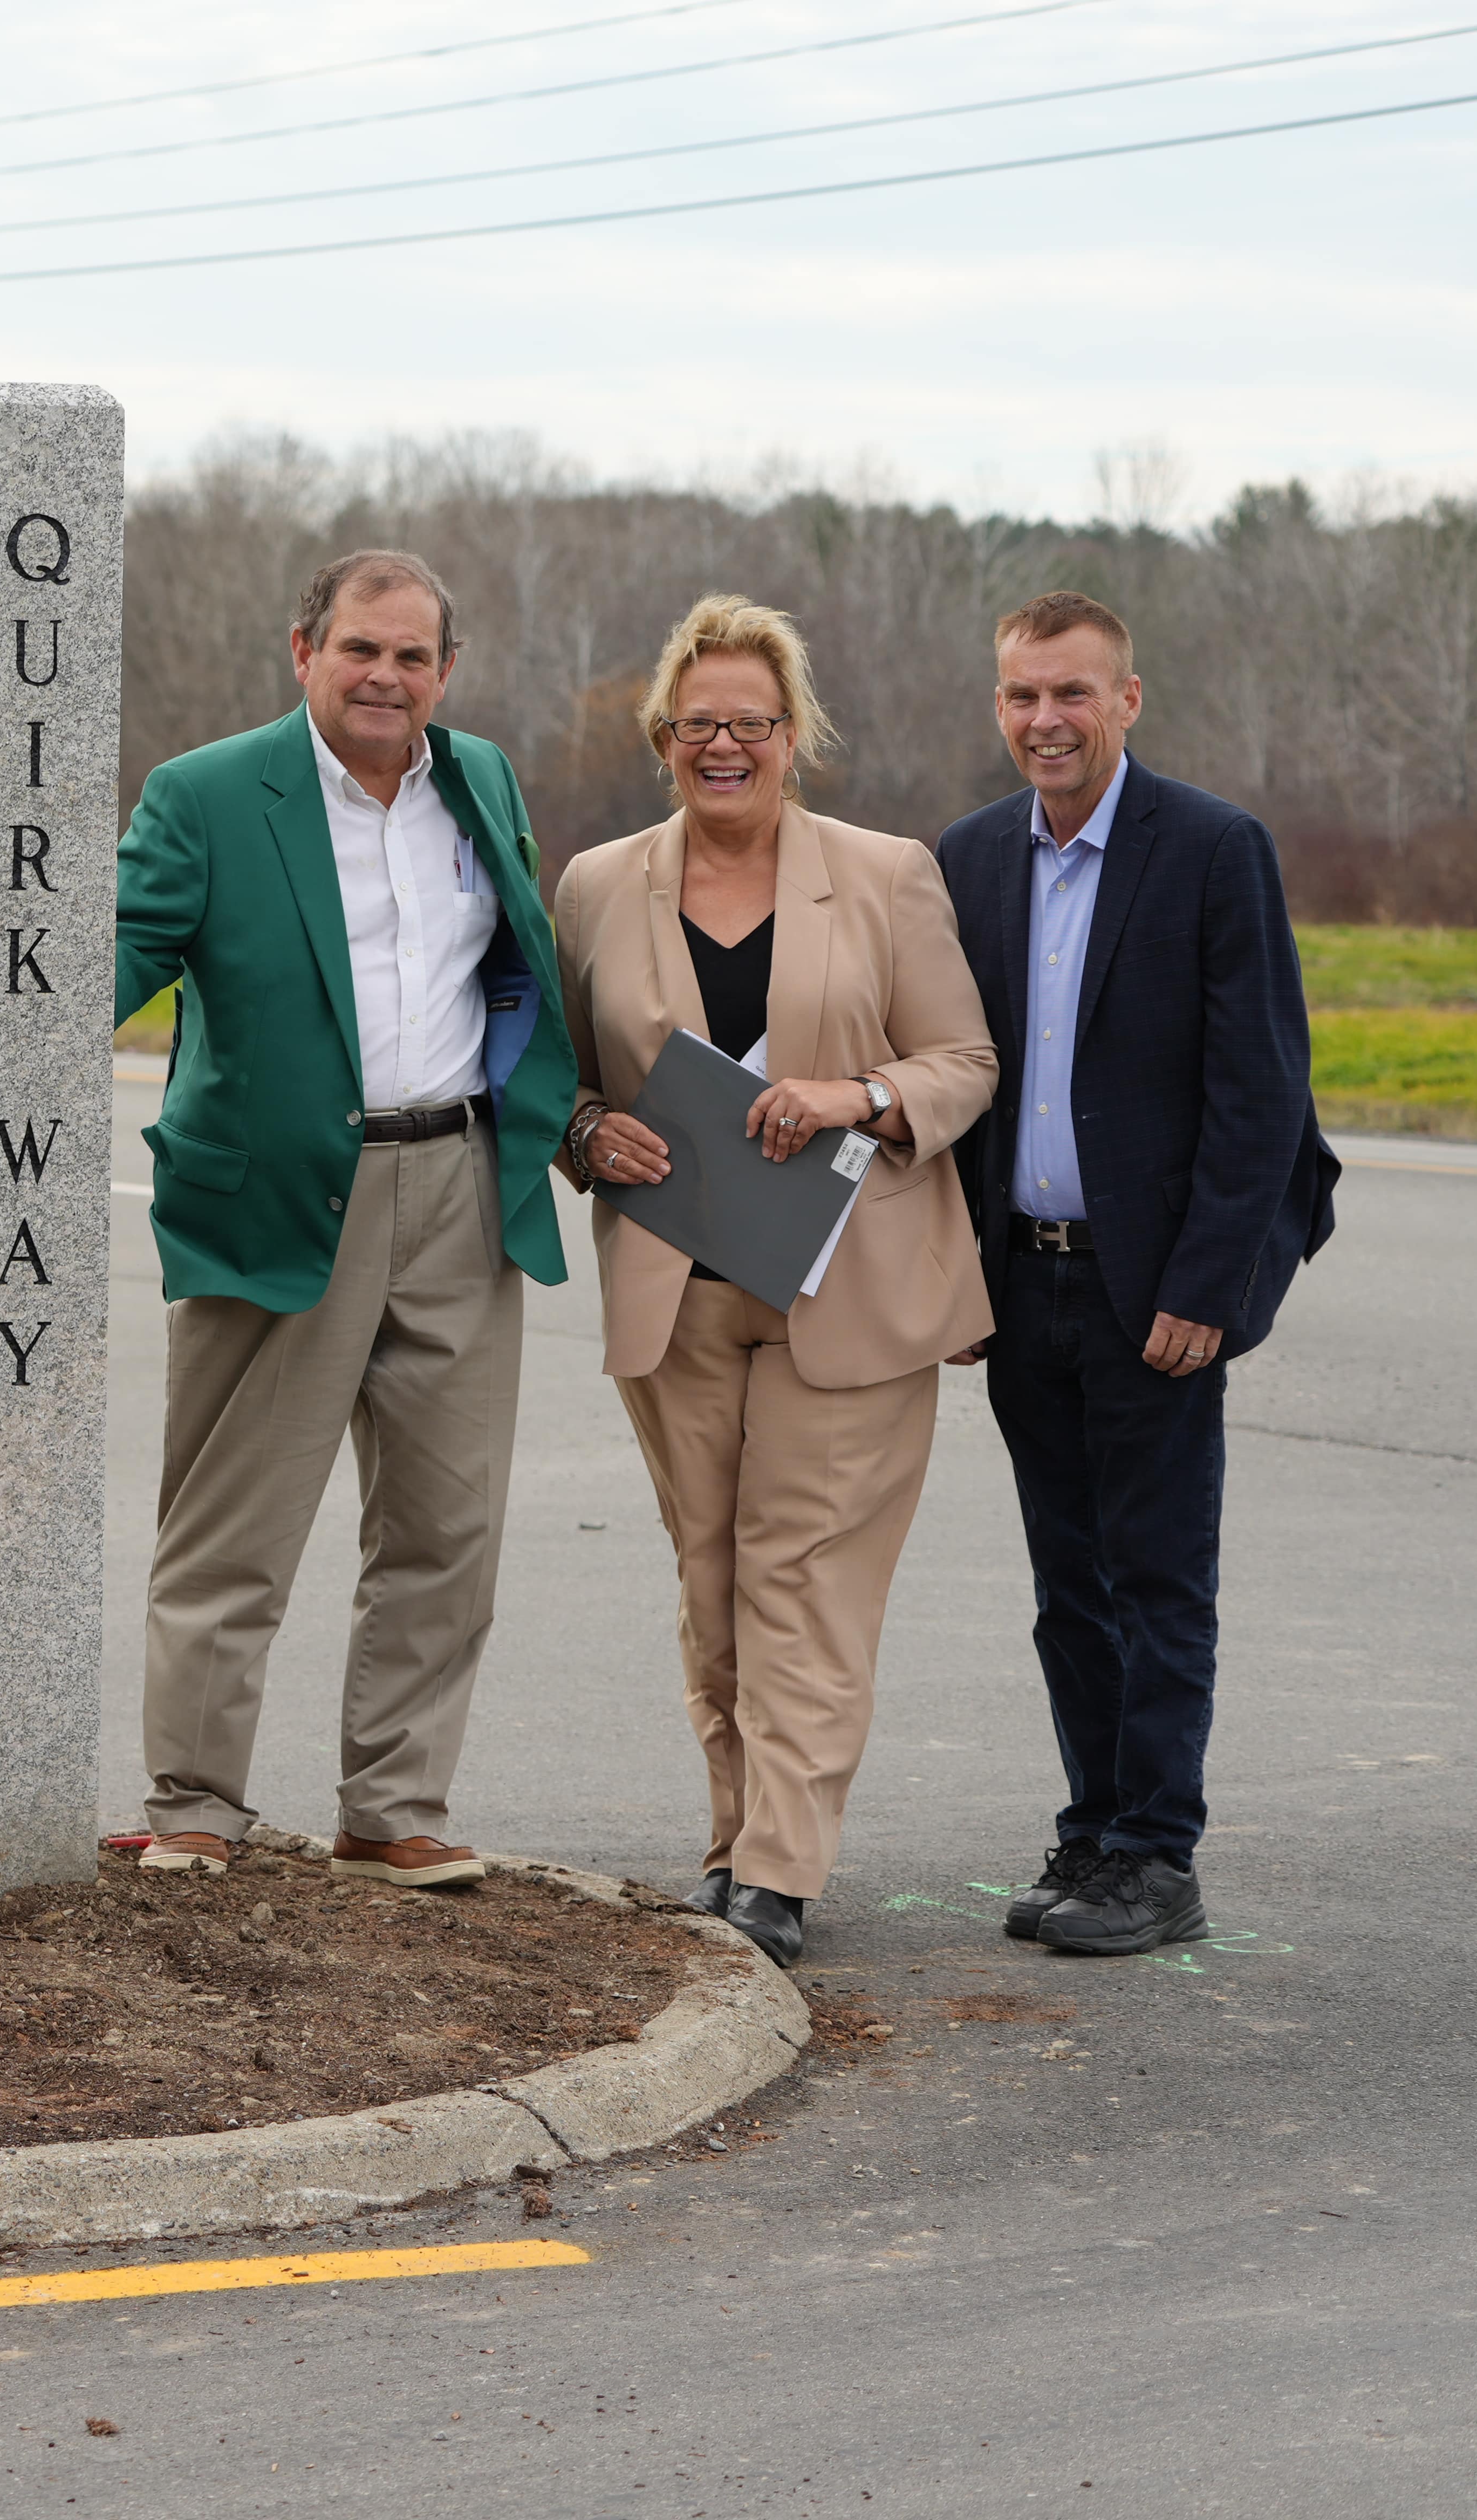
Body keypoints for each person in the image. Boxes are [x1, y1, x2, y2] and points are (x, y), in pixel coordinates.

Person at [112, 550, 573, 1892]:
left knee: (445, 1525)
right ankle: (193, 1803)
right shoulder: (204, 795)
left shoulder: (478, 779)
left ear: (446, 671)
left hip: (460, 1186)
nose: (386, 677)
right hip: (279, 1197)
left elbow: (517, 967)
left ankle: (395, 1806)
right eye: (361, 649)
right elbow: (113, 963)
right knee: (233, 1528)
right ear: (301, 649)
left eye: (413, 657)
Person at [552, 595, 999, 1968]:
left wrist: (855, 1093)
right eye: (700, 726)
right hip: (677, 1285)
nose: (726, 745)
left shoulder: (885, 874)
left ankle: (781, 1872)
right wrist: (584, 1132)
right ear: (663, 741)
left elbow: (962, 1064)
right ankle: (734, 1836)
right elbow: (558, 1078)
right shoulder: (591, 885)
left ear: (795, 735)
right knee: (714, 1573)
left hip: (848, 1283)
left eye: (753, 722)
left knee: (804, 1574)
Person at [940, 593, 1338, 1958]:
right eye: (1020, 696)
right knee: (1067, 1584)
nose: (1045, 720)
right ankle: (1095, 1825)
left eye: (1072, 694)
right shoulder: (971, 859)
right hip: (1023, 1281)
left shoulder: (1215, 850)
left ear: (1128, 699)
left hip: (1154, 1290)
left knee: (1159, 1577)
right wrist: (956, 1280)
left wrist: (1208, 1288)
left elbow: (1260, 1092)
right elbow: (964, 1086)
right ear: (997, 705)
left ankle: (1160, 1853)